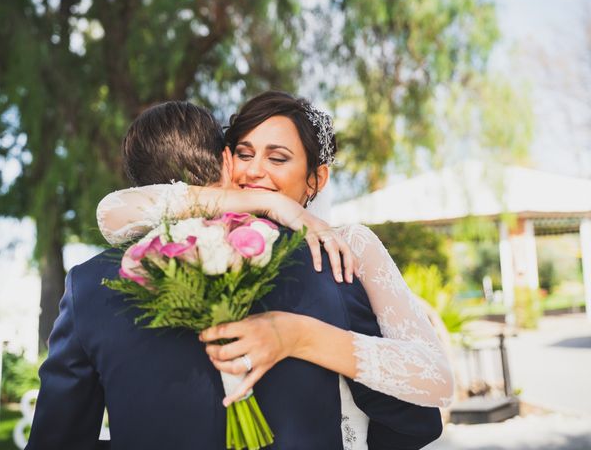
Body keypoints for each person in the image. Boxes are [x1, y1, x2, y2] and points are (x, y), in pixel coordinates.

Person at [28, 100, 442, 450]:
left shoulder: (89, 286)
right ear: (227, 162)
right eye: (246, 155)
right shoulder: (326, 266)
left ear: (317, 178)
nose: (256, 173)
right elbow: (412, 422)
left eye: (278, 158)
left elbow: (57, 437)